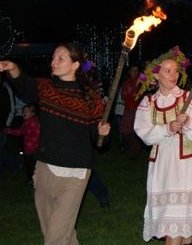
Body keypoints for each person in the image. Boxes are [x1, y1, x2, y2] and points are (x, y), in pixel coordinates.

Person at [0, 43, 110, 245]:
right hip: (45, 168)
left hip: (75, 172)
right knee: (58, 231)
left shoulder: (91, 98)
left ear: (75, 65)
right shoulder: (45, 88)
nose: (54, 62)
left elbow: (98, 138)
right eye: (53, 58)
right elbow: (24, 83)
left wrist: (102, 132)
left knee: (55, 237)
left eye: (60, 58)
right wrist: (12, 68)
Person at [134, 46, 192, 245]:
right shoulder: (148, 103)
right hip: (163, 167)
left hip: (188, 166)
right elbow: (144, 134)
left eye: (176, 70)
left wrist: (187, 124)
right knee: (175, 225)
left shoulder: (190, 99)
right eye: (167, 71)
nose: (173, 74)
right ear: (155, 75)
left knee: (183, 227)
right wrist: (168, 128)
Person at [3, 104, 40, 182]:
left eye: (26, 111)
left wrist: (36, 146)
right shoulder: (26, 122)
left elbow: (38, 134)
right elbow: (20, 132)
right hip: (28, 149)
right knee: (28, 164)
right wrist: (9, 131)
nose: (24, 112)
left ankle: (36, 179)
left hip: (33, 149)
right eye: (23, 111)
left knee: (33, 165)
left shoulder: (33, 122)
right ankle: (30, 179)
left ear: (32, 113)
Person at [121, 65, 143, 159]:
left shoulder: (141, 81)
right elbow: (124, 97)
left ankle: (134, 152)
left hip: (138, 110)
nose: (134, 72)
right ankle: (136, 147)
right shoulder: (127, 83)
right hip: (128, 109)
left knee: (134, 131)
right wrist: (135, 86)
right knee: (125, 131)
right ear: (129, 71)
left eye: (136, 70)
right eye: (132, 70)